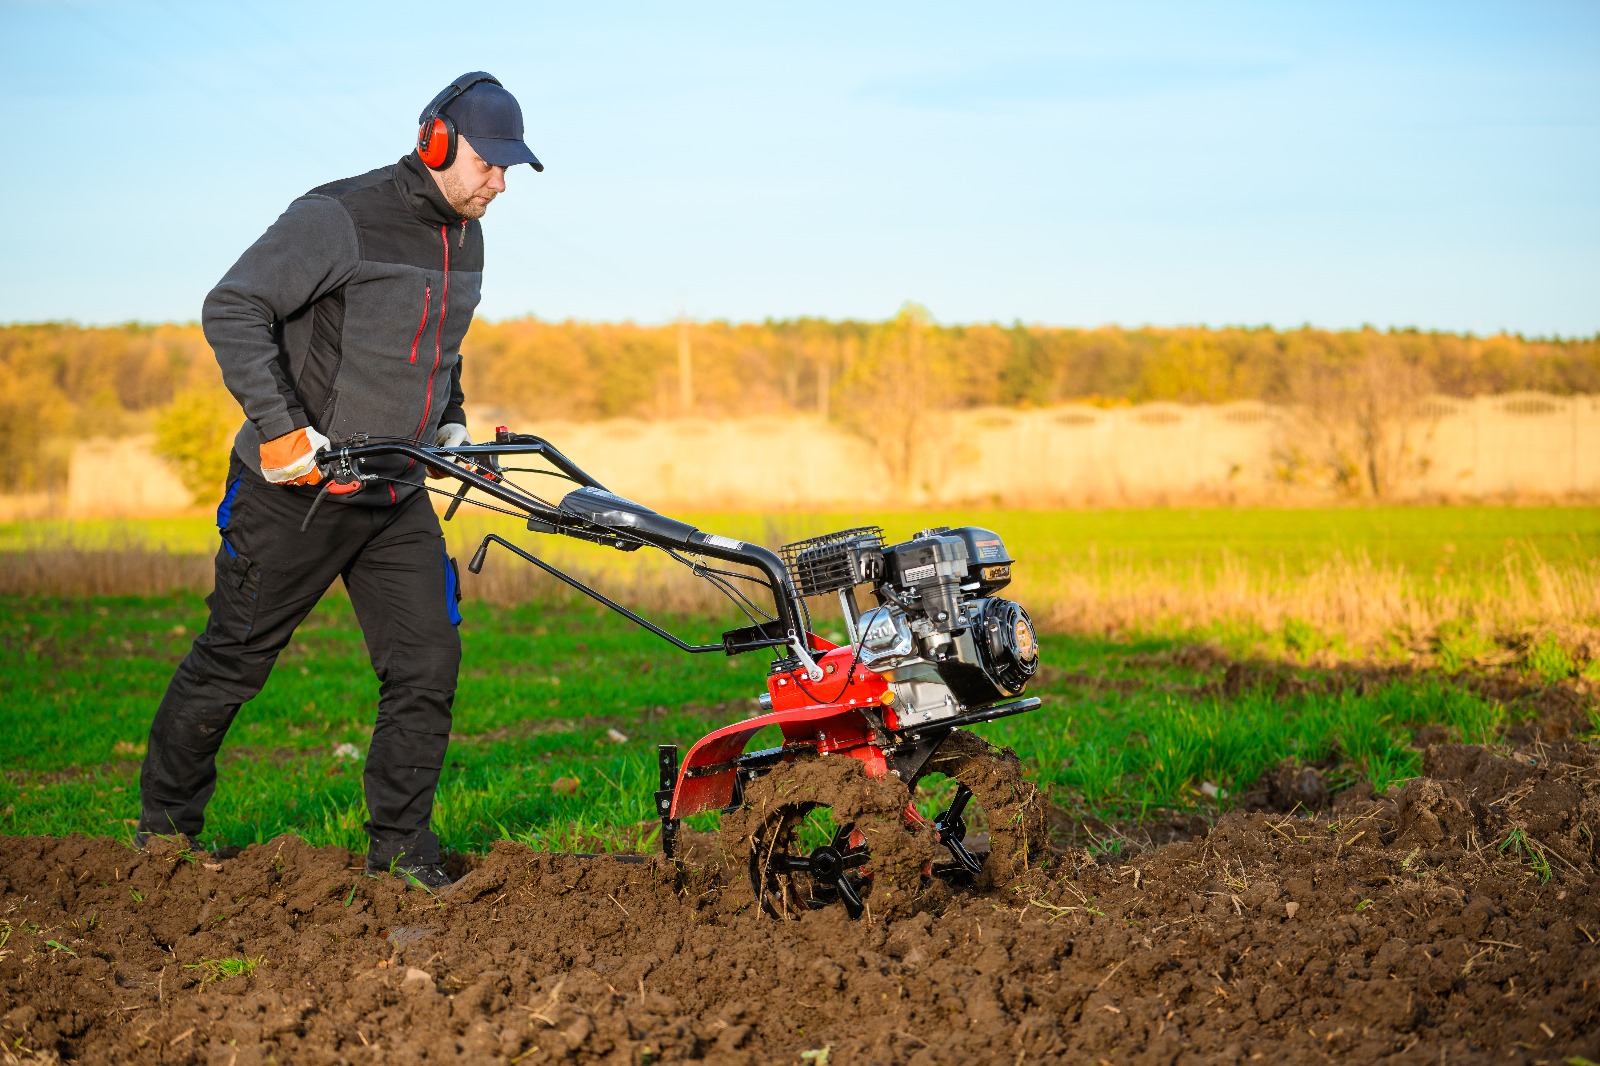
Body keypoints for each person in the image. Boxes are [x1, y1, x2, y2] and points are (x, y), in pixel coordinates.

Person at [137, 73, 542, 889]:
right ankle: (165, 843)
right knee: (233, 662)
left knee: (428, 664)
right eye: (490, 163)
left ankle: (401, 851)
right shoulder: (337, 216)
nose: (501, 182)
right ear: (437, 143)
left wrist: (451, 419)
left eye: (511, 169)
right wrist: (283, 430)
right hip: (299, 493)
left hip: (395, 491)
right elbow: (233, 306)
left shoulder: (468, 236)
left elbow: (440, 345)